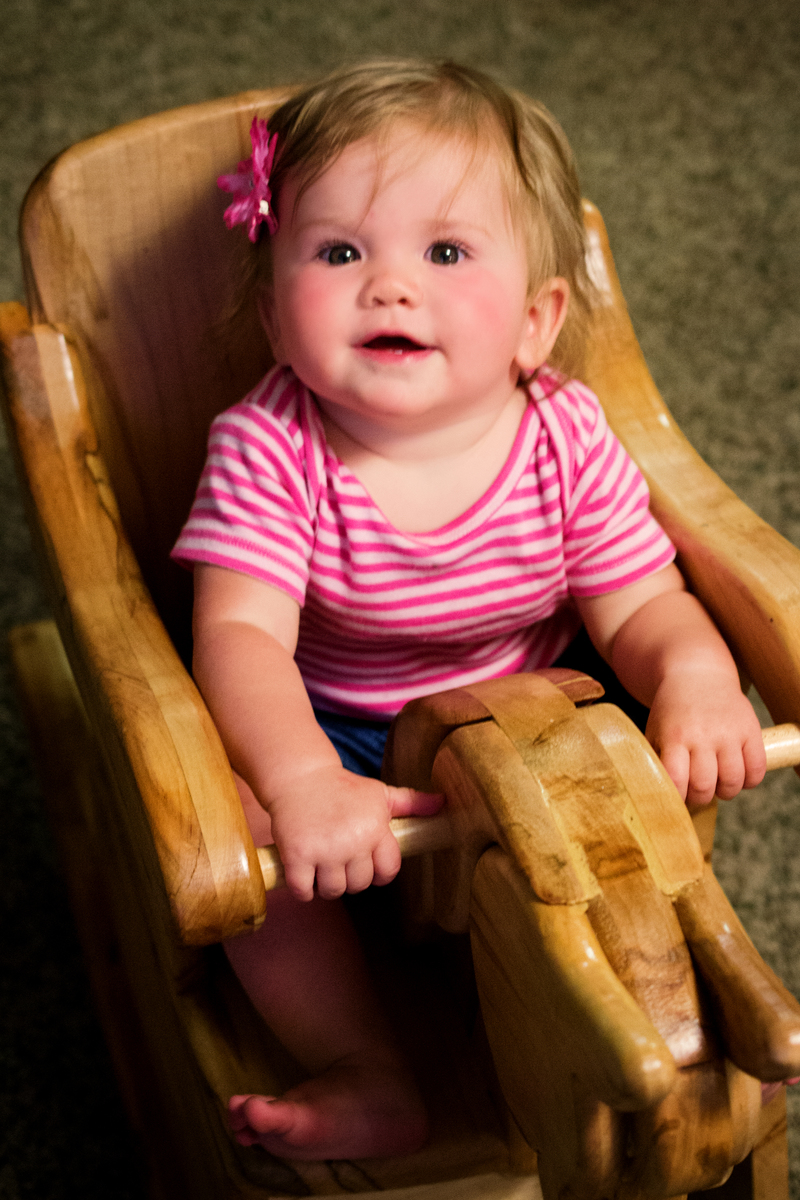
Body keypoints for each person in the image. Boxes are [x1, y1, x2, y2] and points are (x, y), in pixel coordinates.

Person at [172, 59, 767, 1160]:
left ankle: (657, 1001)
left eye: (444, 253)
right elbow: (240, 637)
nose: (388, 286)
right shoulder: (266, 449)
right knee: (248, 857)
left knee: (641, 791)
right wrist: (302, 777)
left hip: (535, 711)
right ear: (270, 316)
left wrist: (690, 673)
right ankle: (363, 1060)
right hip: (339, 725)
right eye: (338, 251)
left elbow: (638, 599)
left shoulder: (562, 431)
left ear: (535, 321)